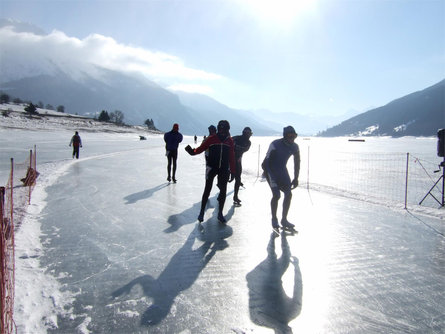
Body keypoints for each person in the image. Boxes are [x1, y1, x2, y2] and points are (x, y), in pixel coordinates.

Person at [185, 120, 236, 224]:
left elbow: (231, 156)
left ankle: (220, 213)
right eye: (220, 129)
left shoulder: (229, 141)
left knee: (223, 191)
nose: (222, 131)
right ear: (218, 128)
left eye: (224, 129)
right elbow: (201, 148)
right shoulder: (211, 139)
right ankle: (201, 212)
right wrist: (192, 152)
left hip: (223, 169)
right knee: (207, 189)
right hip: (211, 167)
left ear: (227, 130)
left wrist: (233, 171)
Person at [262, 126, 300, 230]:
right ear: (284, 136)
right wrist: (270, 176)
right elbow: (264, 164)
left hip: (282, 171)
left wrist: (296, 178)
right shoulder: (275, 144)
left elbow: (297, 163)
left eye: (294, 136)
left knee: (288, 194)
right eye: (290, 136)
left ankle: (284, 220)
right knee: (277, 195)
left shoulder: (295, 147)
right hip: (270, 171)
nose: (292, 138)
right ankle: (274, 219)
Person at [232, 127, 252, 204]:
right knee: (224, 178)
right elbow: (229, 144)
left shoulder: (248, 143)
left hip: (238, 160)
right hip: (229, 160)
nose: (249, 136)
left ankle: (235, 196)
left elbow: (244, 149)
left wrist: (235, 147)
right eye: (248, 134)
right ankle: (221, 192)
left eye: (250, 134)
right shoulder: (236, 138)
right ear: (244, 133)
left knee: (238, 178)